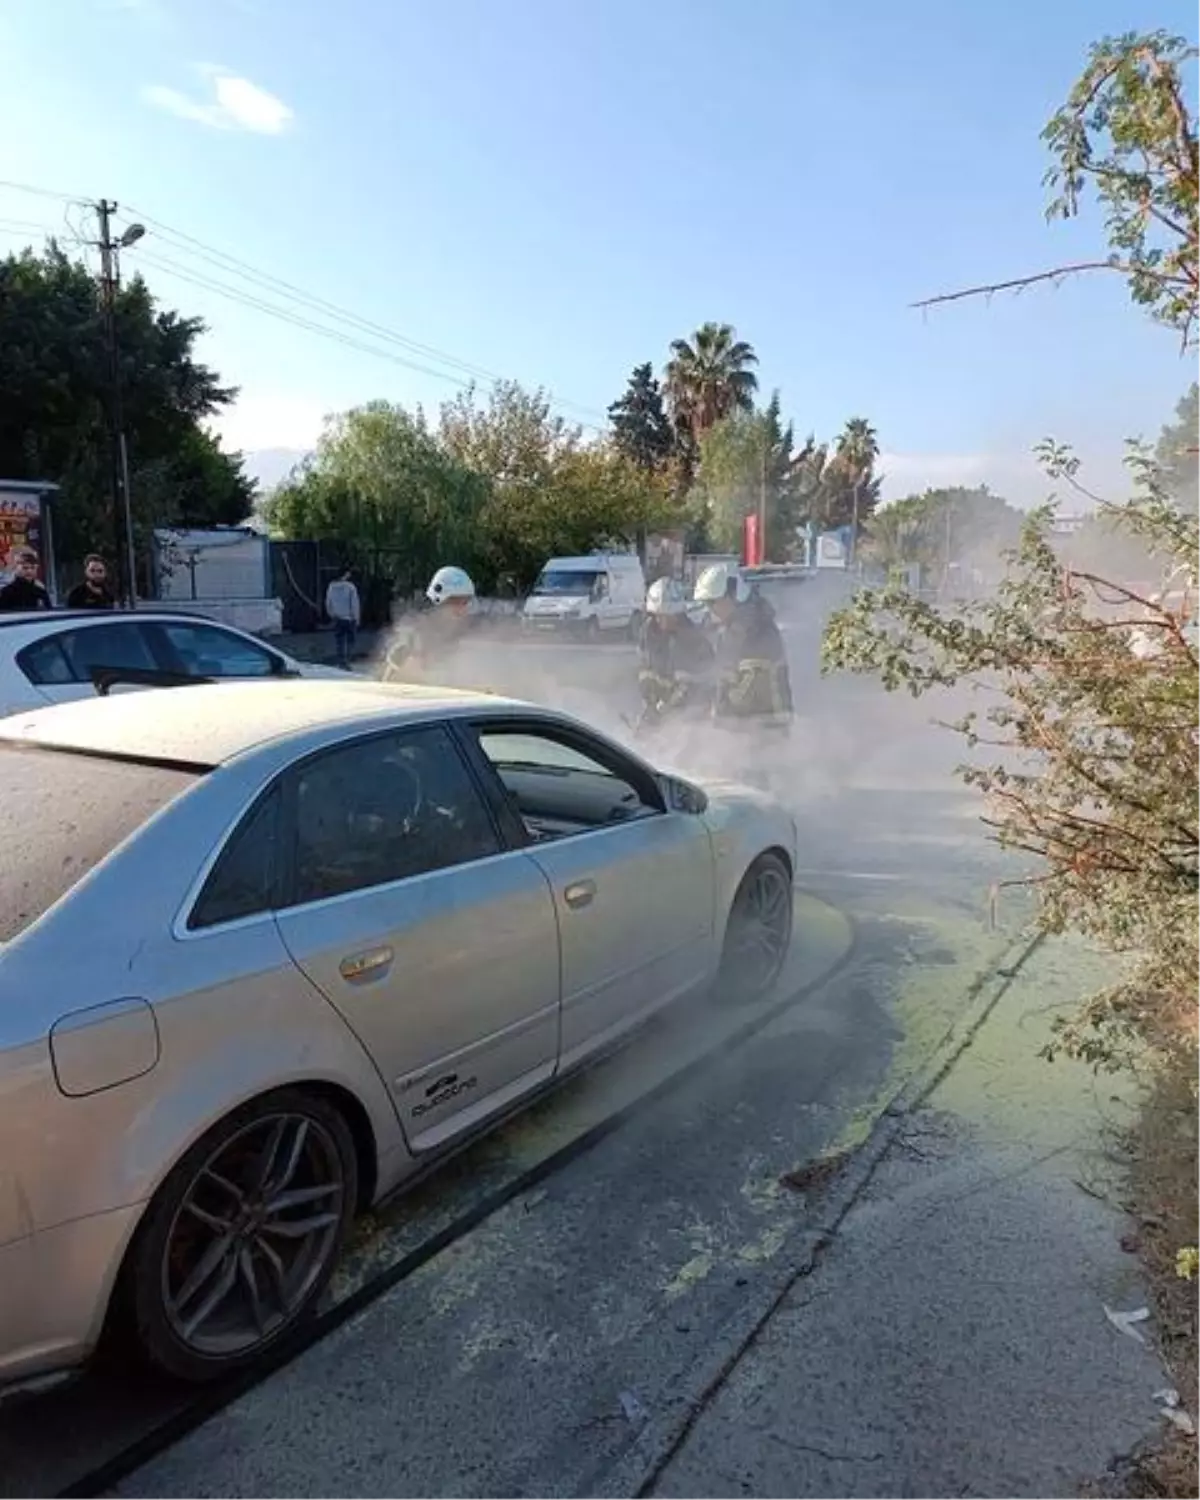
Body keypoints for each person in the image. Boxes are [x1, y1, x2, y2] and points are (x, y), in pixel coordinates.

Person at [692, 562, 793, 734]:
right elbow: (725, 677)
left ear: (732, 595)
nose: (710, 610)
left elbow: (752, 689)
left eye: (713, 602)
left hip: (766, 730)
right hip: (748, 728)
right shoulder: (732, 631)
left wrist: (722, 713)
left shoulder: (758, 630)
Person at [637, 576, 715, 725]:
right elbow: (645, 669)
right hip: (663, 702)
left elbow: (703, 680)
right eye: (657, 616)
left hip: (690, 707)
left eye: (666, 616)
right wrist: (649, 703)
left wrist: (669, 708)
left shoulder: (694, 638)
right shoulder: (649, 632)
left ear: (678, 614)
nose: (661, 621)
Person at [384, 565, 477, 682]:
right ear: (440, 601)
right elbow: (389, 680)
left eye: (466, 602)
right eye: (457, 602)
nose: (463, 609)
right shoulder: (417, 634)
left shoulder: (457, 633)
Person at [324, 565, 361, 669]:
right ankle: (347, 661)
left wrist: (331, 614)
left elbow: (328, 602)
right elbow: (354, 603)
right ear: (346, 574)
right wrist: (356, 617)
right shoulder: (350, 587)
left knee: (339, 641)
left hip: (337, 618)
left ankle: (341, 661)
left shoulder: (331, 586)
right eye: (349, 573)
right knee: (350, 641)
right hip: (349, 618)